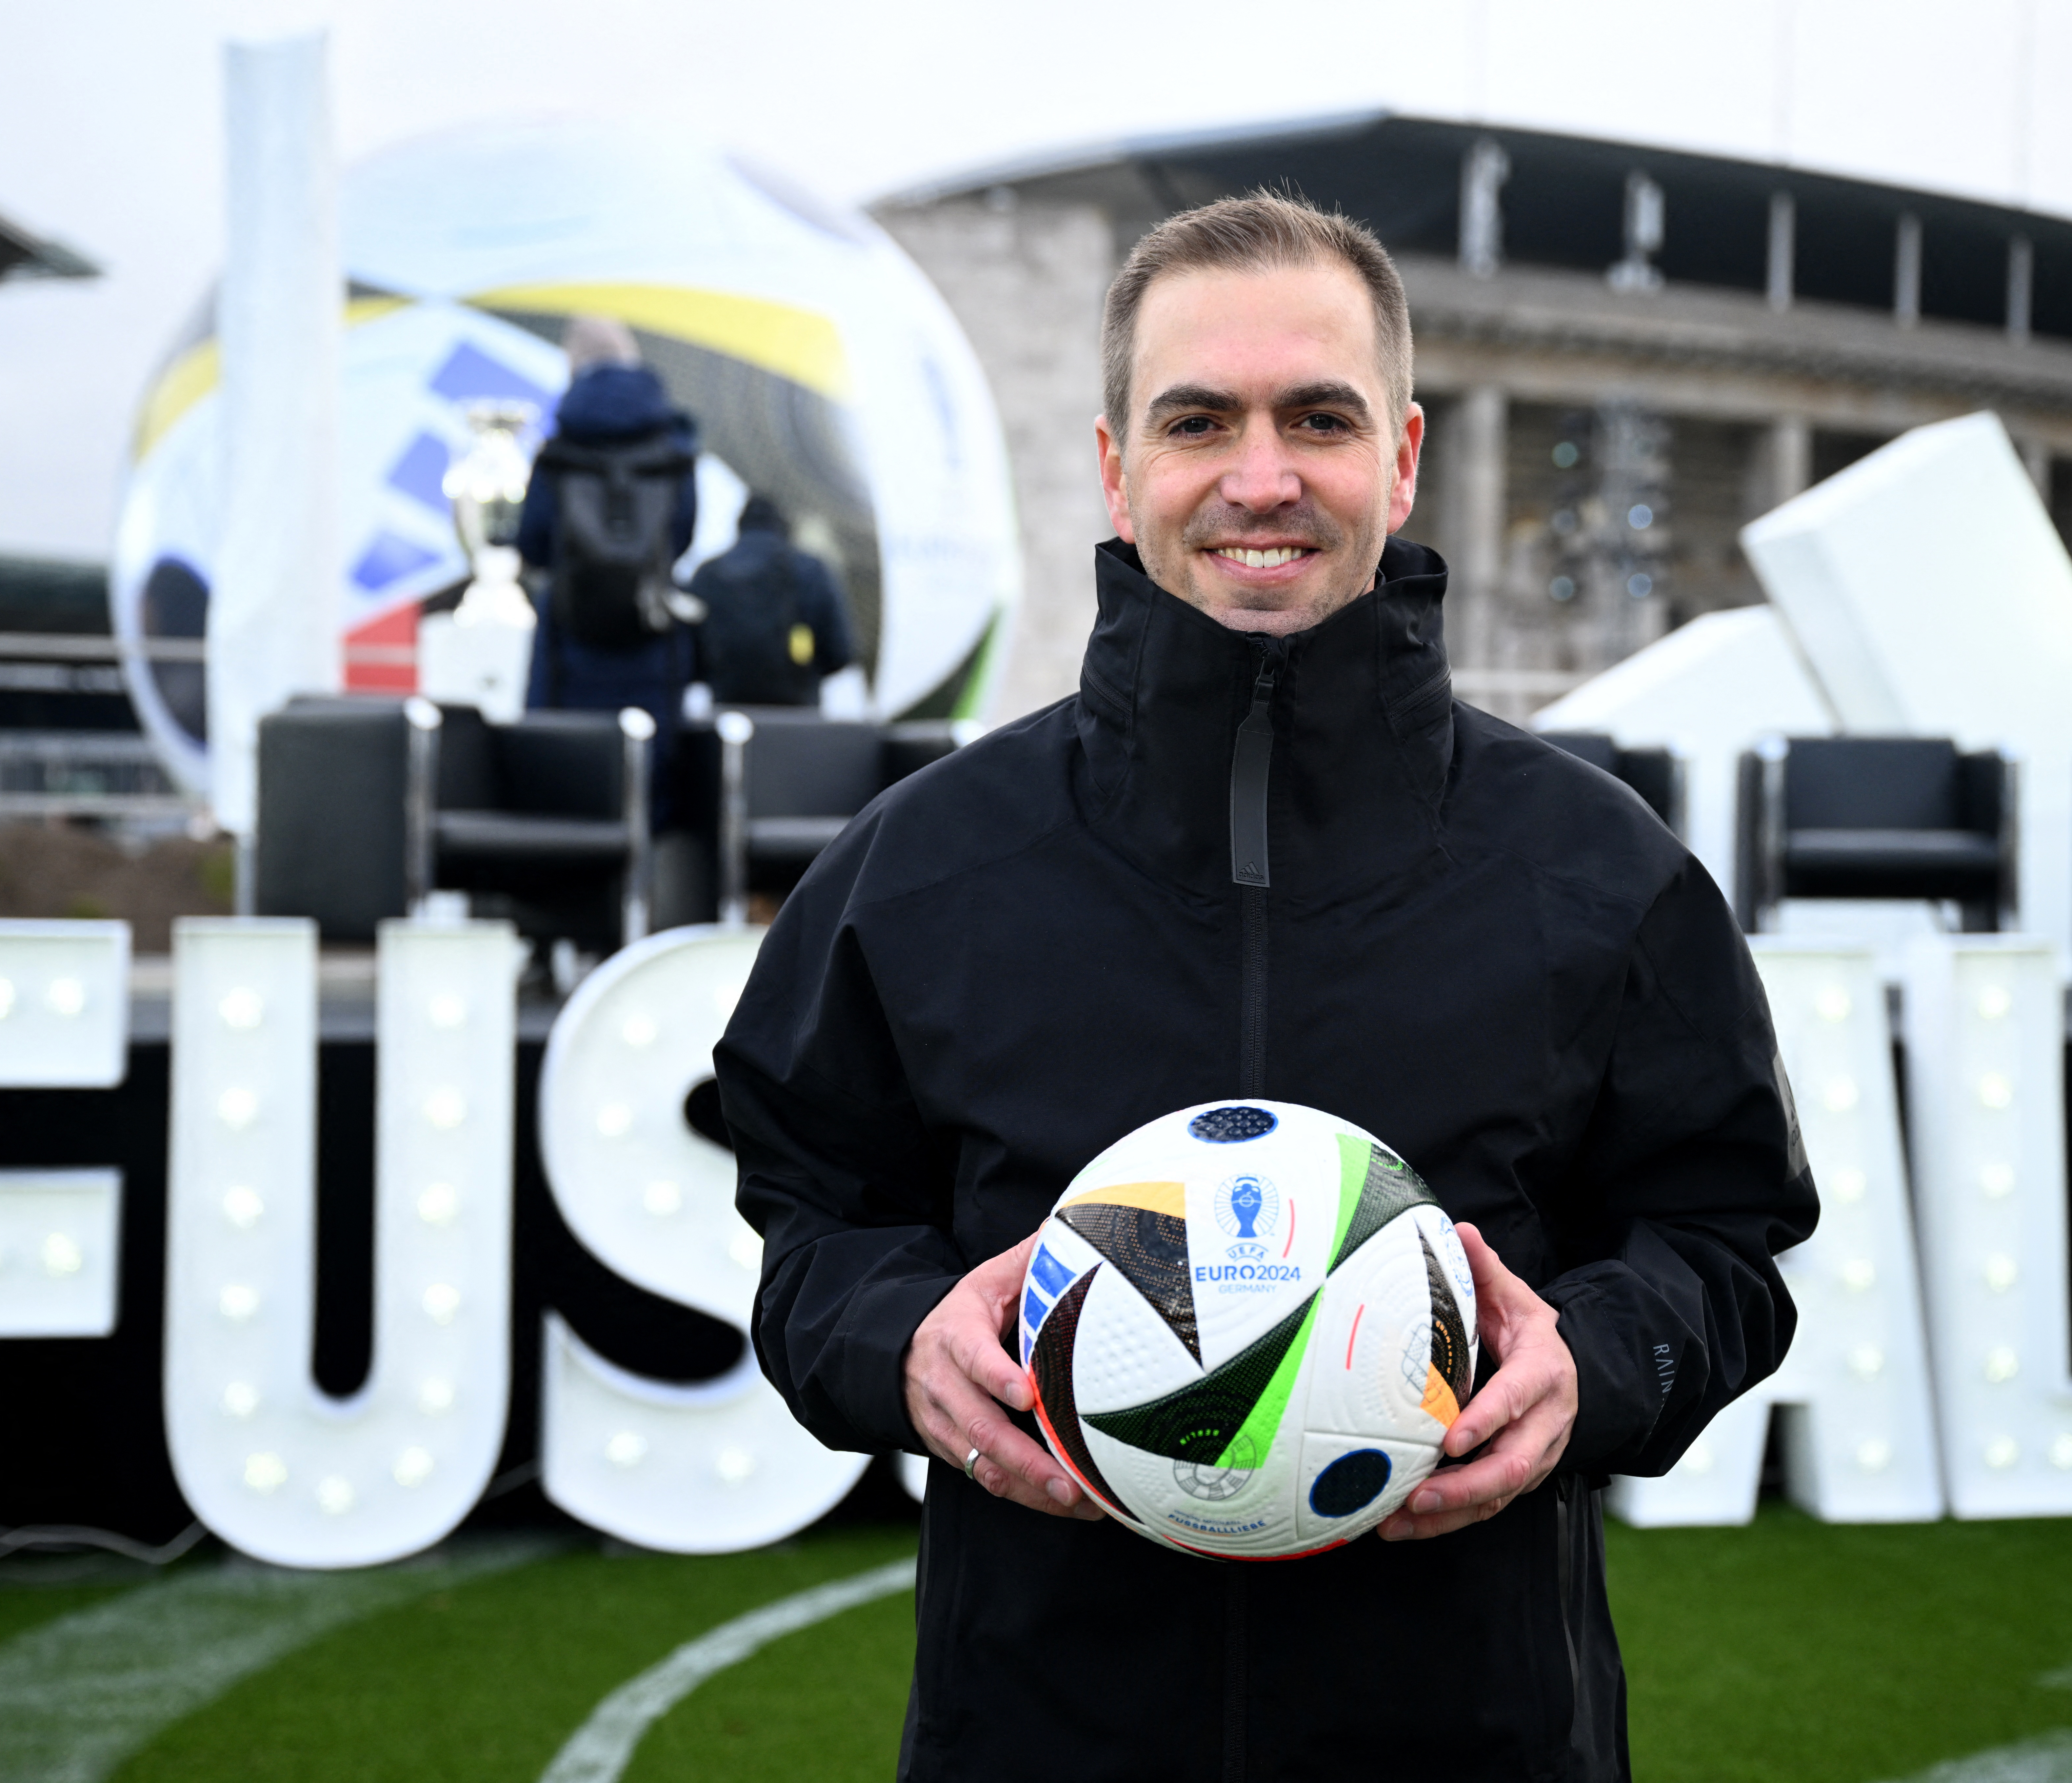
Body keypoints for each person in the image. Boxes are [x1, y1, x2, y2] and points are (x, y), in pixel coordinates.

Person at [718, 193, 1815, 1782]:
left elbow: (1721, 1241)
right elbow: (805, 1221)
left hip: (1480, 1743)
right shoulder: (920, 868)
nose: (1258, 478)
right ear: (1114, 465)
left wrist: (1596, 1360)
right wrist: (894, 1335)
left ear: (1401, 456)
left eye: (1317, 417)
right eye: (1197, 422)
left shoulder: (1599, 871)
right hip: (1034, 1738)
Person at [515, 317, 699, 725]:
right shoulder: (674, 444)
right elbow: (682, 534)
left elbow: (532, 541)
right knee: (649, 751)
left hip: (570, 637)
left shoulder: (560, 445)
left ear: (574, 361)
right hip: (653, 632)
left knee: (569, 751)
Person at [691, 495, 856, 707]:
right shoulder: (811, 571)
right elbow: (841, 652)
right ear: (784, 526)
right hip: (798, 712)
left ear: (740, 527)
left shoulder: (708, 574)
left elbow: (688, 655)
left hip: (729, 711)